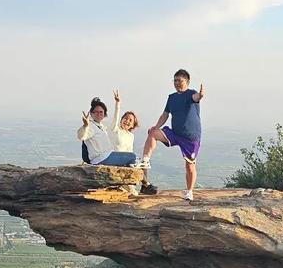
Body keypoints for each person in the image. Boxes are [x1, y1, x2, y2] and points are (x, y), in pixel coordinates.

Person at [136, 69, 204, 200]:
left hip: (191, 137)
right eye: (175, 80)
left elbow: (196, 98)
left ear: (187, 82)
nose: (177, 83)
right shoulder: (171, 98)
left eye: (180, 81)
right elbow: (165, 114)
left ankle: (189, 191)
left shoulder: (192, 93)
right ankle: (145, 160)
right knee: (153, 133)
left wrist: (200, 95)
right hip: (175, 133)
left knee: (190, 165)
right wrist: (156, 127)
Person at [77, 96, 137, 167]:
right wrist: (85, 126)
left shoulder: (101, 126)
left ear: (104, 114)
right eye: (96, 112)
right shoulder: (91, 126)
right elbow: (81, 136)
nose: (99, 114)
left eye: (101, 112)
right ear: (91, 113)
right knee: (133, 157)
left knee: (133, 158)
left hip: (106, 156)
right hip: (101, 159)